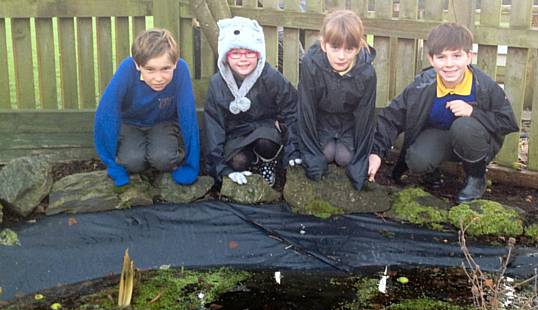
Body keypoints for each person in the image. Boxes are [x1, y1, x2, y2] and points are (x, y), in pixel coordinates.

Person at [368, 22, 519, 202]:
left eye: (456, 56)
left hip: (474, 141)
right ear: (431, 60)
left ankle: (476, 178)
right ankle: (431, 171)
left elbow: (507, 121)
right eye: (441, 57)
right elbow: (391, 117)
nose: (449, 64)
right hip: (439, 138)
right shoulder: (422, 85)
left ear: (469, 57)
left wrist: (473, 112)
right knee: (417, 159)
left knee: (464, 127)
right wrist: (376, 152)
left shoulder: (484, 86)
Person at [94, 28, 199, 187]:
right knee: (132, 162)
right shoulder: (127, 70)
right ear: (138, 65)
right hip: (131, 124)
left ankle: (165, 154)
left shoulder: (181, 70)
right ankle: (138, 156)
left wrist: (192, 165)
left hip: (163, 122)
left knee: (163, 160)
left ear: (175, 63)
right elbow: (106, 112)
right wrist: (111, 164)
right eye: (150, 69)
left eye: (165, 69)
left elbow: (188, 115)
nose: (158, 78)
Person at [204, 16, 298, 186]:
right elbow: (214, 125)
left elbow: (292, 108)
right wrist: (220, 168)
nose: (243, 59)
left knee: (266, 143)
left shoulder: (271, 77)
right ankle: (251, 166)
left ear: (259, 54)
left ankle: (268, 164)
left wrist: (293, 148)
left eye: (249, 53)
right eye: (236, 53)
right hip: (236, 133)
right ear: (225, 56)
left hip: (265, 128)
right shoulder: (217, 83)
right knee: (238, 161)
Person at [294, 9, 377, 191]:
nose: (341, 56)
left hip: (348, 123)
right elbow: (306, 107)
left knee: (345, 159)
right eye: (335, 48)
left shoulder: (367, 73)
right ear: (324, 45)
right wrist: (311, 153)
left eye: (349, 49)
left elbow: (365, 116)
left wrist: (361, 160)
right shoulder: (310, 64)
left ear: (359, 47)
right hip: (321, 120)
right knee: (324, 155)